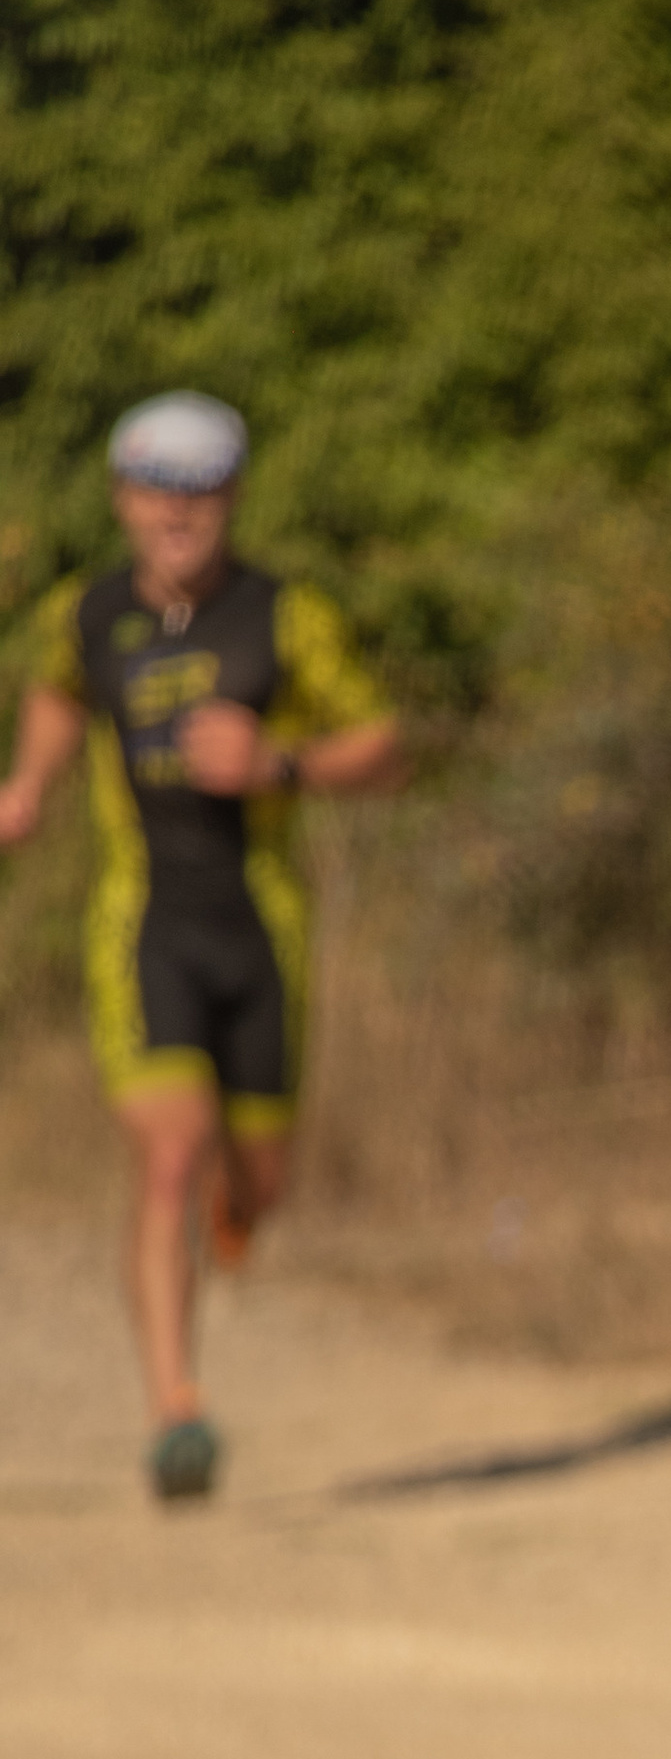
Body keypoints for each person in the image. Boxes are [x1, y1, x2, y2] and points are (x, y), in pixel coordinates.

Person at [0, 392, 404, 1502]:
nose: (178, 514)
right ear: (125, 503)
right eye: (157, 492)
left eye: (201, 492)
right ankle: (177, 1409)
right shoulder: (85, 617)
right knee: (167, 1154)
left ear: (230, 500)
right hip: (145, 927)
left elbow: (386, 747)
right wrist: (30, 784)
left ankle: (242, 1206)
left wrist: (282, 764)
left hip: (262, 926)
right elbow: (55, 694)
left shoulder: (284, 617)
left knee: (258, 1182)